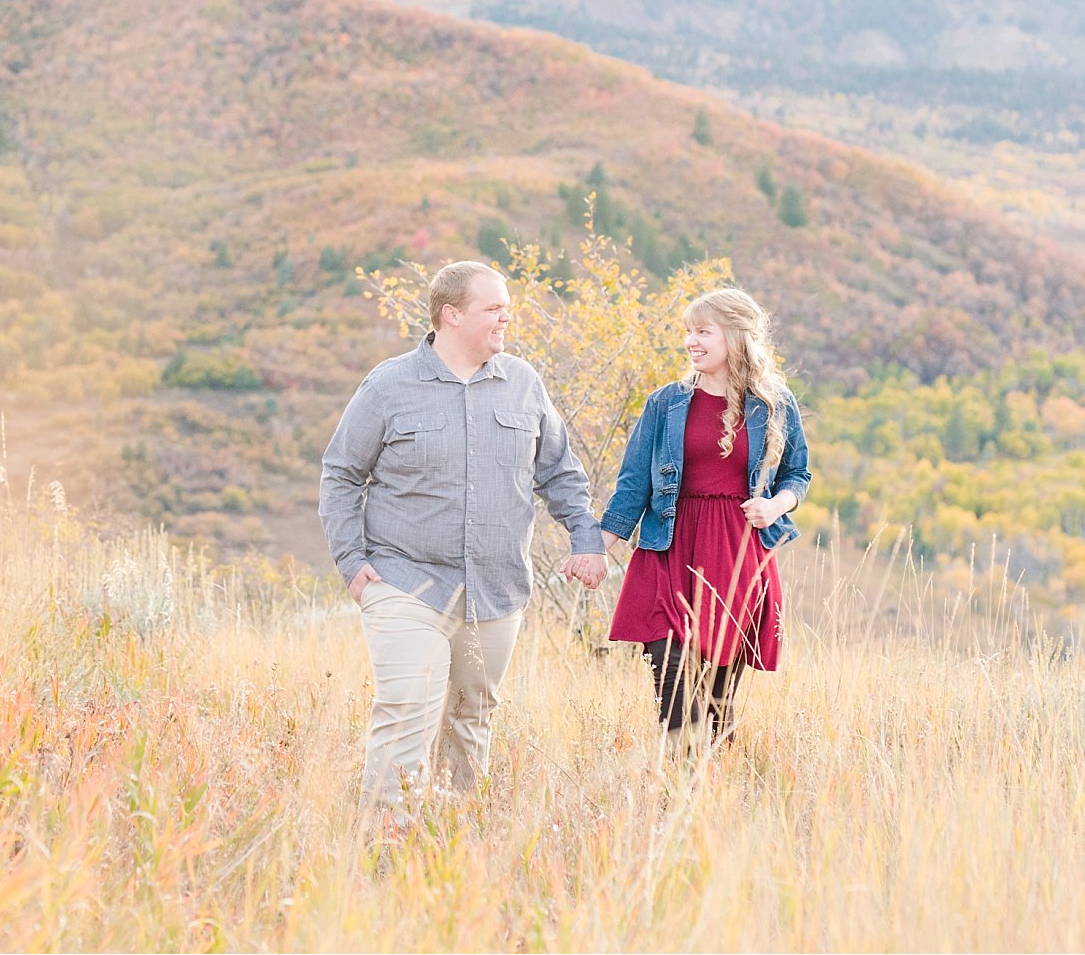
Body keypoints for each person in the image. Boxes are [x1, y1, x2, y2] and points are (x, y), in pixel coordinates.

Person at [320, 259, 608, 823]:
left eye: (507, 307)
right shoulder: (389, 385)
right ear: (452, 314)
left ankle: (451, 832)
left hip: (497, 590)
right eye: (494, 308)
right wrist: (352, 561)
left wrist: (586, 538)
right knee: (406, 711)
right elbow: (341, 474)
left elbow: (559, 472)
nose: (508, 317)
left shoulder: (523, 383)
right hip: (406, 583)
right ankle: (387, 841)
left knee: (472, 714)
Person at [599, 287, 811, 752]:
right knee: (673, 685)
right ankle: (680, 791)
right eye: (688, 333)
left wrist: (775, 506)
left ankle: (713, 804)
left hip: (737, 556)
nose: (692, 342)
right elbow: (633, 484)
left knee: (716, 702)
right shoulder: (666, 403)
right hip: (671, 547)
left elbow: (798, 473)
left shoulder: (773, 402)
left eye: (702, 332)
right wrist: (598, 549)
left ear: (735, 337)